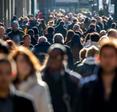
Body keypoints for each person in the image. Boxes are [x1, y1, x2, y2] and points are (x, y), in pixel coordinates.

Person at [79, 40, 117, 112]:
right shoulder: (87, 87)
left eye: (112, 56)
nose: (108, 60)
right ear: (98, 58)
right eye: (104, 56)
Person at [11, 46, 53, 112]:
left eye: (27, 61)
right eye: (22, 61)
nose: (25, 64)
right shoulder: (8, 87)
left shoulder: (40, 88)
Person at [42, 44, 81, 112]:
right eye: (51, 56)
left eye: (57, 57)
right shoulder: (40, 78)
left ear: (63, 58)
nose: (53, 60)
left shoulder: (73, 80)